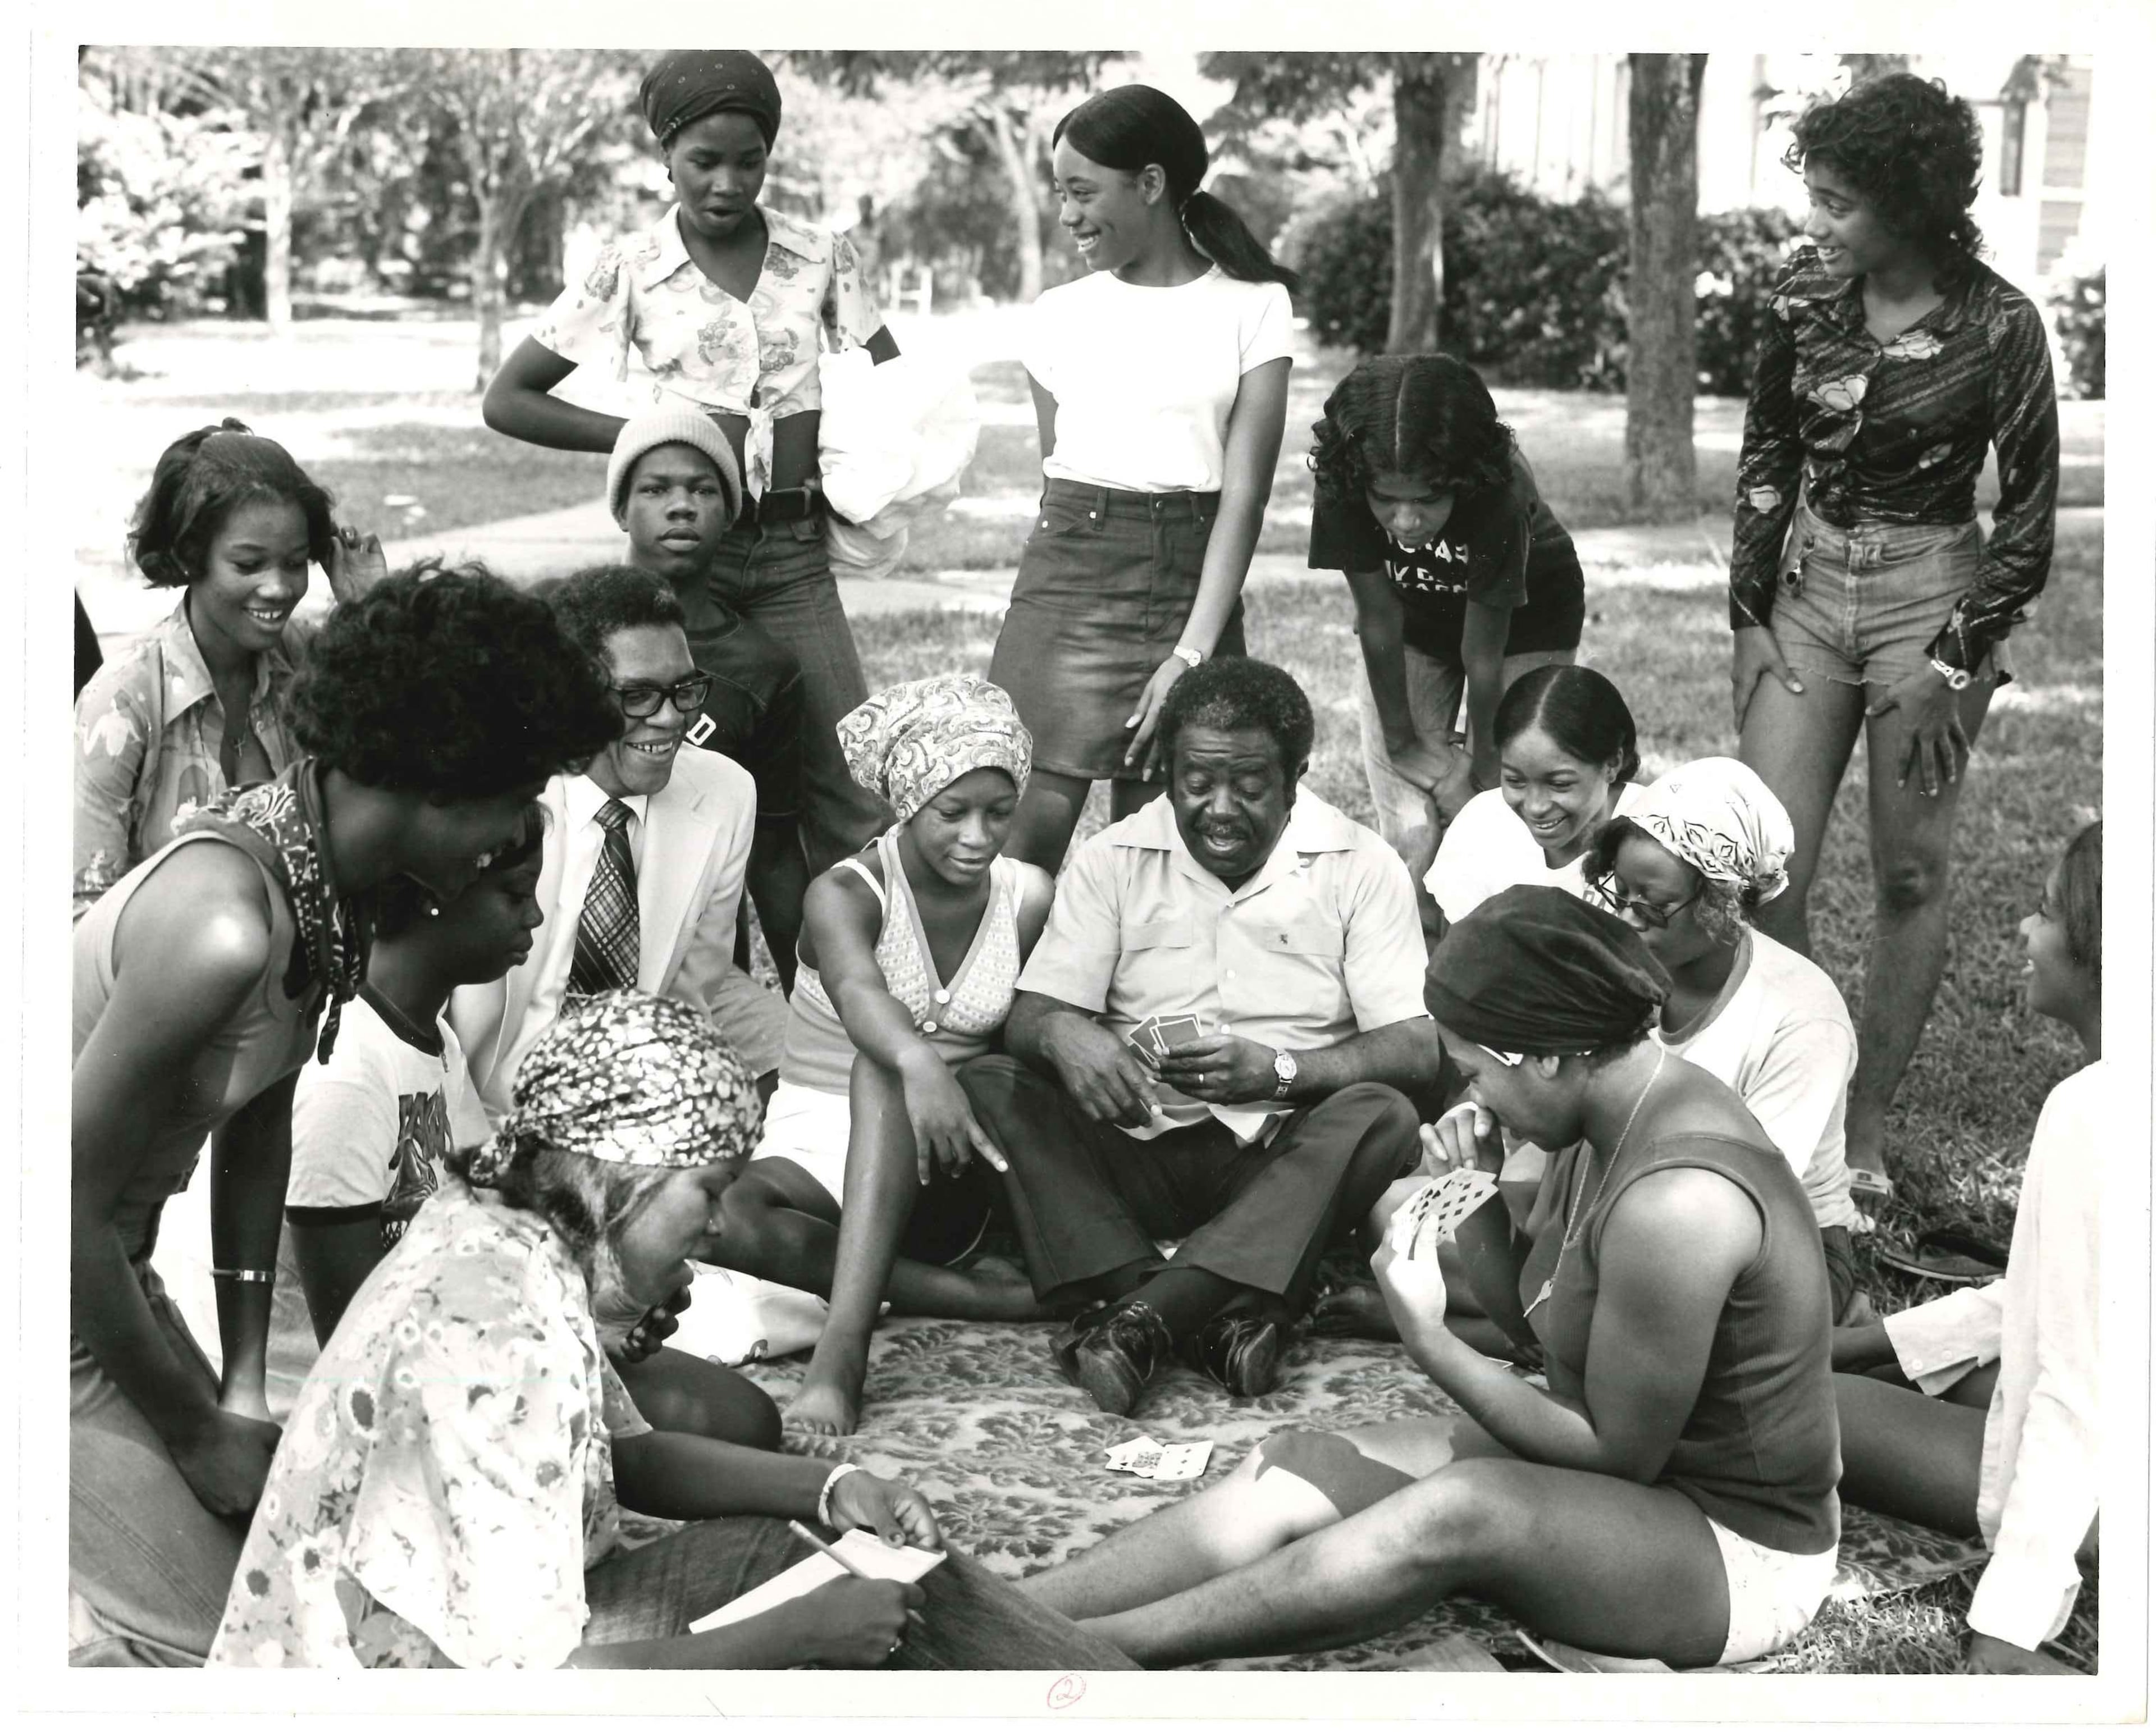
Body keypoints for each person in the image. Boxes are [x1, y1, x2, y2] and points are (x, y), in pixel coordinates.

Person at [1021, 888, 1840, 1670]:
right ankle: (1017, 1609)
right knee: (1301, 1459)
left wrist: (1429, 1339)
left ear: (1548, 1057)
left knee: (1459, 1509)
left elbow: (1613, 1453)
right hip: (1637, 1478)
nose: (1471, 1095)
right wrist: (1480, 1201)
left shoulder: (1679, 1203)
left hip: (1734, 1552)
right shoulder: (1603, 1112)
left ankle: (1096, 1650)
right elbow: (1541, 1335)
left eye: (1476, 1072)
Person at [209, 991, 1138, 1672]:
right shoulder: (496, 1327)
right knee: (828, 1624)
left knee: (827, 1561)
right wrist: (793, 1636)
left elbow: (629, 1455)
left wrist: (834, 1483)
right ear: (623, 1175)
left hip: (469, 1649)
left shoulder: (512, 1234)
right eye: (707, 1190)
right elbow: (544, 1692)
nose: (719, 1225)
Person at [71, 564, 620, 1666]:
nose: (518, 833)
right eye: (522, 798)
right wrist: (188, 1428)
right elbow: (43, 1199)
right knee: (262, 1640)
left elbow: (257, 1130)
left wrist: (241, 1385)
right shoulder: (224, 919)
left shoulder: (331, 886)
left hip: (110, 1279)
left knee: (336, 1566)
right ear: (449, 779)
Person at [1728, 72, 2061, 1204]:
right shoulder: (1803, 297)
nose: (1813, 223)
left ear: (1912, 204)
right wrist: (1747, 613)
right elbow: (1768, 452)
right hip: (1812, 588)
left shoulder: (2003, 327)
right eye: (1812, 196)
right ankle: (1806, 1090)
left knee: (1913, 873)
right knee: (1766, 862)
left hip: (1936, 592)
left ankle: (1861, 1130)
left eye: (1837, 203)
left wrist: (1949, 664)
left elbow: (2024, 529)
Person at [960, 659, 1436, 1415]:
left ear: (1296, 776)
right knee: (988, 1085)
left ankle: (1134, 1318)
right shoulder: (1112, 858)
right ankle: (1219, 1312)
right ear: (1169, 772)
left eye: (1249, 789)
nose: (1219, 810)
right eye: (1195, 785)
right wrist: (1063, 1036)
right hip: (1133, 1151)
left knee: (1383, 1112)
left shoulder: (1360, 866)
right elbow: (1028, 1016)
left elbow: (1415, 1047)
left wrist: (1281, 1071)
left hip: (1277, 1163)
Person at [483, 48, 896, 878]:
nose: (727, 183)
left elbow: (891, 376)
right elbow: (510, 398)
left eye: (751, 162)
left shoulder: (821, 256)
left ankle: (853, 973)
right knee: (633, 755)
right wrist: (648, 435)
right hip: (672, 559)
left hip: (788, 555)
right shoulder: (629, 268)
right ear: (665, 154)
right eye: (704, 161)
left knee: (849, 770)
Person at [265, 805, 778, 1449]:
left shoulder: (434, 1042)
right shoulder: (344, 1071)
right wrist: (553, 1350)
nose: (534, 917)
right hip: (345, 1404)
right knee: (660, 1445)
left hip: (435, 1343)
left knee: (741, 1418)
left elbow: (489, 1235)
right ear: (433, 895)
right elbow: (356, 1348)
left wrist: (596, 1310)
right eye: (513, 894)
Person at [709, 675, 1061, 1436]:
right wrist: (919, 1059)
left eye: (999, 814)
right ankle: (974, 1298)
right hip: (822, 1127)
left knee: (908, 1079)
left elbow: (1043, 1019)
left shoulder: (1025, 898)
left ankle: (842, 1348)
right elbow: (861, 993)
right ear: (906, 801)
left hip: (953, 1139)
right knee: (729, 1217)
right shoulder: (846, 892)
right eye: (953, 813)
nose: (978, 837)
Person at [986, 83, 1297, 871]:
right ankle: (996, 994)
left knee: (1159, 848)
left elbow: (1245, 498)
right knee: (1023, 840)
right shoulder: (1060, 312)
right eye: (1060, 193)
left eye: (1083, 192)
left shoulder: (1254, 306)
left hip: (1193, 580)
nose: (1067, 215)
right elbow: (1062, 472)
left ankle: (1136, 997)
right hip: (1071, 575)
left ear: (1151, 184)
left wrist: (1189, 655)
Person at [1830, 822, 2100, 1675]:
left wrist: (2009, 1626)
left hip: (2111, 1464)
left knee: (1783, 1402)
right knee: (1881, 1371)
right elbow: (2039, 1300)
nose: (2024, 929)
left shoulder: (2094, 1110)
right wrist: (1869, 1346)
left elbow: (2074, 1384)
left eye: (2050, 913)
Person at [450, 565, 788, 1122]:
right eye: (638, 696)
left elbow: (688, 999)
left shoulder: (724, 792)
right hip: (475, 1105)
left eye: (685, 690)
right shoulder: (495, 794)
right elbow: (433, 1026)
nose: (670, 717)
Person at [1584, 758, 1865, 1319]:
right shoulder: (1627, 966)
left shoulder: (1802, 1015)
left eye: (1655, 904)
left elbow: (1742, 1198)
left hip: (1776, 1244)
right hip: (1627, 1209)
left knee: (1628, 1316)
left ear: (1722, 901)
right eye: (1623, 892)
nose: (1632, 919)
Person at [74, 420, 387, 919]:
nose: (279, 588)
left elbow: (404, 774)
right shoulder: (122, 703)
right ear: (188, 558)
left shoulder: (312, 657)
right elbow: (81, 915)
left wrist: (371, 608)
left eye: (296, 562)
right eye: (248, 565)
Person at [1307, 354, 1584, 899]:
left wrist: (1480, 770)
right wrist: (1403, 742)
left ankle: (1497, 951)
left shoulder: (1501, 489)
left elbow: (1484, 654)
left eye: (1428, 499)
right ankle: (1411, 962)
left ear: (1461, 478)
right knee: (1411, 827)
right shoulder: (1344, 478)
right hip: (1411, 618)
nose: (1405, 522)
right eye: (1385, 500)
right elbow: (1378, 616)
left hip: (1528, 620)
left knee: (1503, 813)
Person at [607, 408, 810, 991]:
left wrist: (804, 1000)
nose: (681, 505)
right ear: (622, 509)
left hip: (700, 959)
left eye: (703, 490)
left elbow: (772, 852)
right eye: (655, 489)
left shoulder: (763, 667)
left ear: (729, 516)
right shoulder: (566, 625)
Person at [1424, 664, 1644, 940]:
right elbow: (1459, 963)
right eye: (1515, 781)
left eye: (1560, 784)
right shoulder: (1482, 826)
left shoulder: (1652, 832)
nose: (1536, 807)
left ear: (1612, 763)